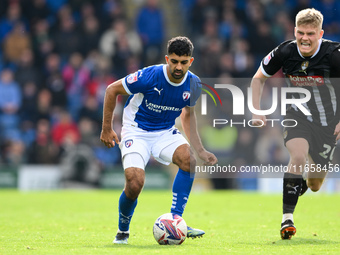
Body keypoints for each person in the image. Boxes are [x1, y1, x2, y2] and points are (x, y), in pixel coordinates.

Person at [100, 36, 218, 244]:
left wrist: (200, 150)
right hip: (136, 131)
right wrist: (107, 128)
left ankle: (176, 220)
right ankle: (123, 231)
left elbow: (187, 116)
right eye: (174, 61)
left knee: (189, 160)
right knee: (135, 182)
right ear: (167, 59)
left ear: (191, 61)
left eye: (183, 62)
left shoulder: (194, 83)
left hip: (164, 131)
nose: (178, 67)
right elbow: (112, 90)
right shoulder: (149, 75)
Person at [250, 8, 340, 240]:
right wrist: (256, 109)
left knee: (315, 183)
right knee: (297, 156)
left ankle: (295, 184)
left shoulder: (334, 54)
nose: (305, 38)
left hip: (328, 124)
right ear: (294, 31)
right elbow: (258, 78)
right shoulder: (285, 51)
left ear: (320, 34)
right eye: (300, 33)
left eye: (311, 34)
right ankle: (287, 219)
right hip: (297, 116)